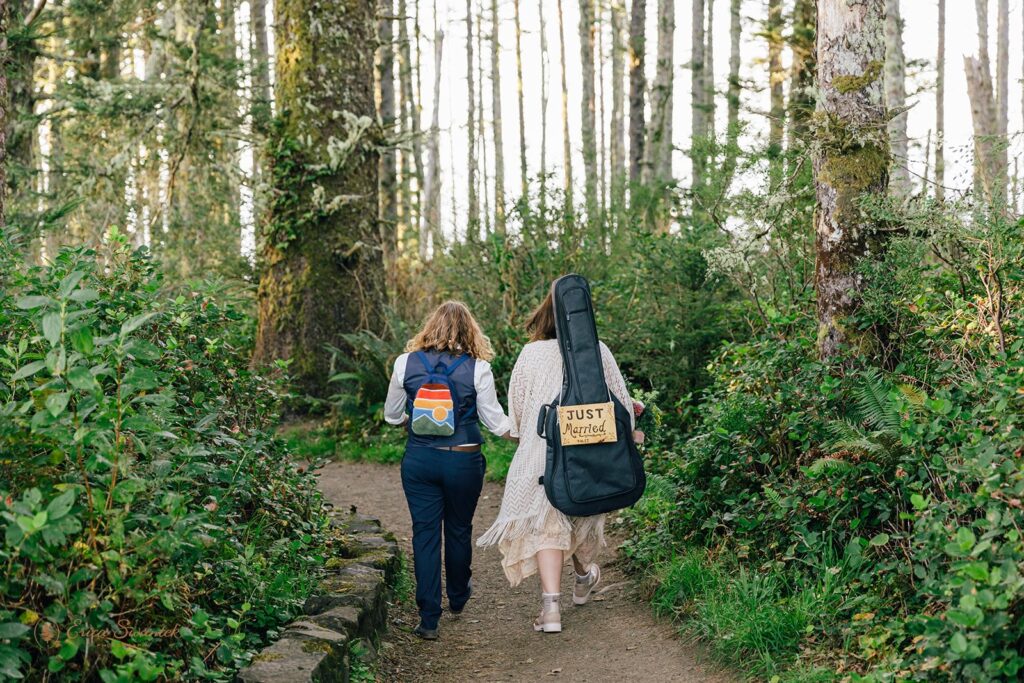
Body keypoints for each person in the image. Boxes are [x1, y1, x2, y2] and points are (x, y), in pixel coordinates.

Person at [477, 284, 642, 634]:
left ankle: (551, 610)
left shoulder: (530, 354)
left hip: (543, 450)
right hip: (591, 450)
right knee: (585, 514)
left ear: (545, 313)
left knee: (547, 525)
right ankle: (583, 578)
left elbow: (519, 412)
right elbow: (622, 405)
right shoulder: (598, 349)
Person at [384, 301, 512, 641]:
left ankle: (428, 618)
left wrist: (415, 418)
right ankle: (457, 596)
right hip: (463, 459)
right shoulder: (478, 369)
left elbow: (392, 416)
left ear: (430, 326)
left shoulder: (404, 363)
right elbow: (496, 422)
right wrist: (529, 429)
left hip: (420, 460)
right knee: (458, 528)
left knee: (424, 533)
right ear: (470, 330)